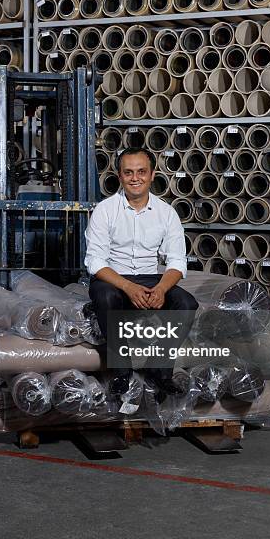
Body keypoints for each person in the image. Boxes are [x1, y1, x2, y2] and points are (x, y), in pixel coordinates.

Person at [85, 147, 198, 395]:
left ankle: (159, 369)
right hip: (113, 278)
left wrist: (161, 289)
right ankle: (121, 372)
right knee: (105, 296)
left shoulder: (166, 213)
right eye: (128, 172)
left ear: (152, 174)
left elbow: (177, 261)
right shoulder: (105, 211)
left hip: (150, 279)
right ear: (120, 176)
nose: (135, 178)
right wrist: (127, 286)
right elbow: (95, 261)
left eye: (141, 172)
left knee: (186, 303)